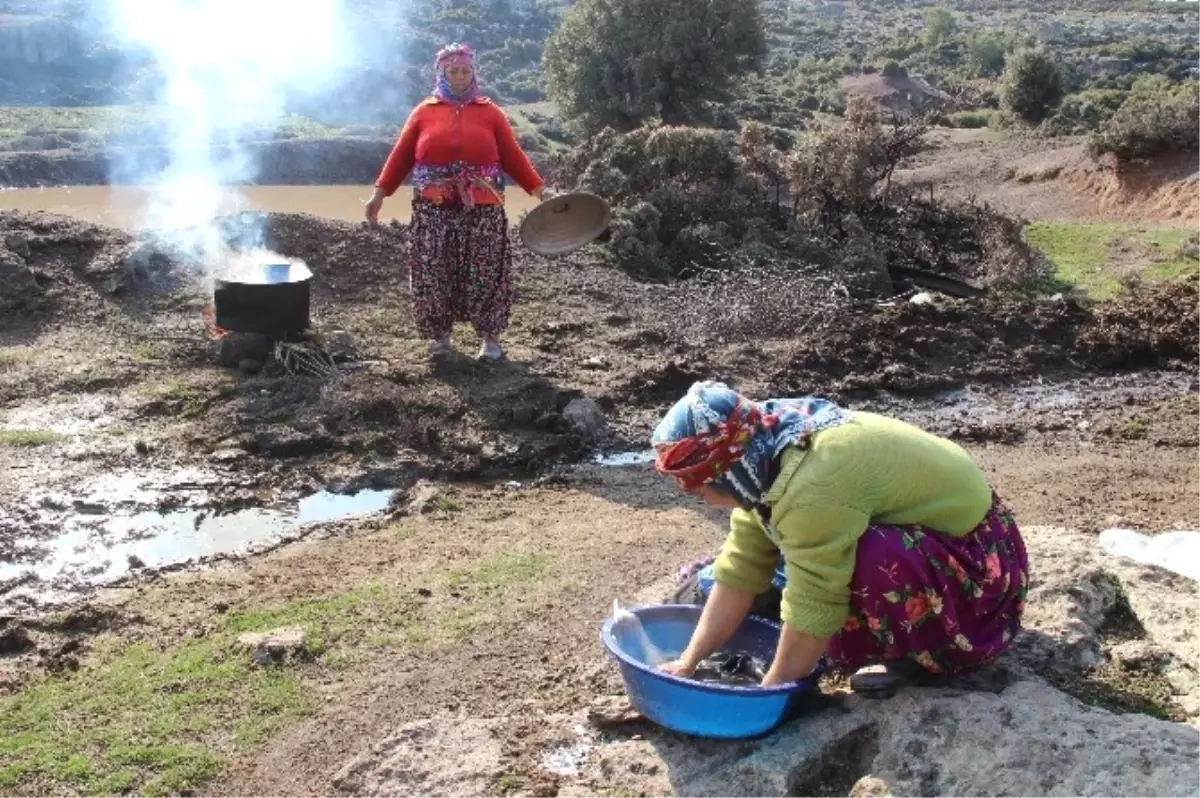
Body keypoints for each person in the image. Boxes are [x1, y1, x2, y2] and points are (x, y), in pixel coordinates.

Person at [651, 380, 1029, 696]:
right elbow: (741, 569)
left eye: (703, 492)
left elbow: (814, 602)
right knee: (772, 563)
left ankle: (914, 655)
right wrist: (688, 662)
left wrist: (769, 693)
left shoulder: (814, 484)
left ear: (731, 473)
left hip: (979, 573)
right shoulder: (763, 449)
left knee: (868, 559)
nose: (705, 502)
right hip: (925, 534)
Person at [365, 43, 545, 361]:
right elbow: (401, 156)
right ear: (442, 73)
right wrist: (379, 195)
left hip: (483, 210)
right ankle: (440, 338)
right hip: (433, 211)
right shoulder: (423, 112)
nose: (460, 77)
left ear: (473, 73)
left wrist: (539, 191)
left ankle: (490, 340)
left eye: (465, 71)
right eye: (453, 71)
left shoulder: (491, 113)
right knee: (434, 271)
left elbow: (514, 157)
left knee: (486, 271)